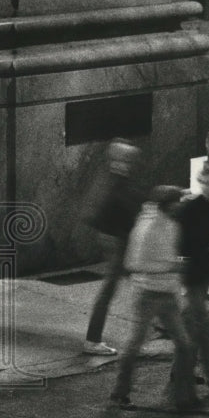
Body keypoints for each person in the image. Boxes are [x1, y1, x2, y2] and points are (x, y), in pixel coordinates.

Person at [110, 186, 199, 411]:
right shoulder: (146, 228)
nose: (181, 205)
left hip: (168, 293)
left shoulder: (172, 223)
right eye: (178, 201)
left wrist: (178, 263)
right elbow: (133, 264)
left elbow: (171, 253)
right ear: (167, 205)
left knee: (185, 344)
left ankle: (183, 398)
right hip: (146, 294)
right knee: (133, 345)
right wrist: (171, 266)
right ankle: (120, 393)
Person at [81, 139, 144, 356]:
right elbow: (128, 209)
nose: (129, 164)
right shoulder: (117, 184)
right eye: (127, 159)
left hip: (112, 237)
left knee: (131, 284)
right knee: (112, 288)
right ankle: (93, 340)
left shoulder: (108, 179)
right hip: (119, 240)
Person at [173, 163, 209, 393]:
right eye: (205, 183)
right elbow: (182, 242)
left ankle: (180, 371)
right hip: (192, 269)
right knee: (201, 324)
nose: (208, 187)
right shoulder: (192, 208)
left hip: (205, 268)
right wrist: (208, 245)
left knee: (192, 323)